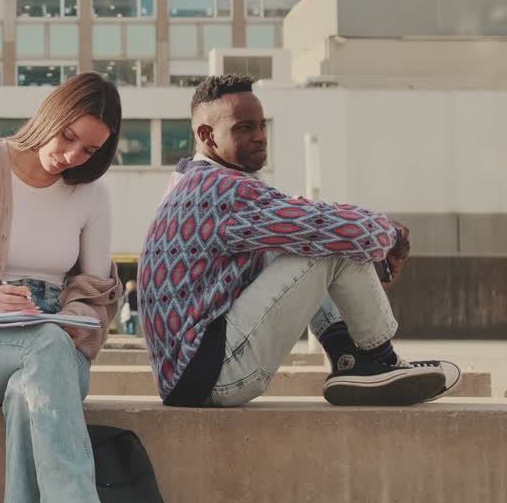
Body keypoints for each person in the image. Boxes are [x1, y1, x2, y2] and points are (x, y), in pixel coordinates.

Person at [140, 75, 457, 408]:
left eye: (262, 126)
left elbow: (295, 221)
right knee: (330, 237)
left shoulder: (187, 181)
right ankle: (380, 359)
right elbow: (331, 227)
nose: (261, 137)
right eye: (244, 128)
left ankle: (351, 359)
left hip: (192, 377)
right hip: (215, 373)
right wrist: (392, 235)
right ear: (207, 135)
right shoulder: (221, 189)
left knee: (304, 236)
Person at [0, 71, 124, 503]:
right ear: (49, 115)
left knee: (28, 391)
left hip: (60, 347)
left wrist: (78, 316)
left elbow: (94, 291)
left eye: (89, 150)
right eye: (68, 136)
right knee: (44, 348)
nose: (72, 155)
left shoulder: (93, 194)